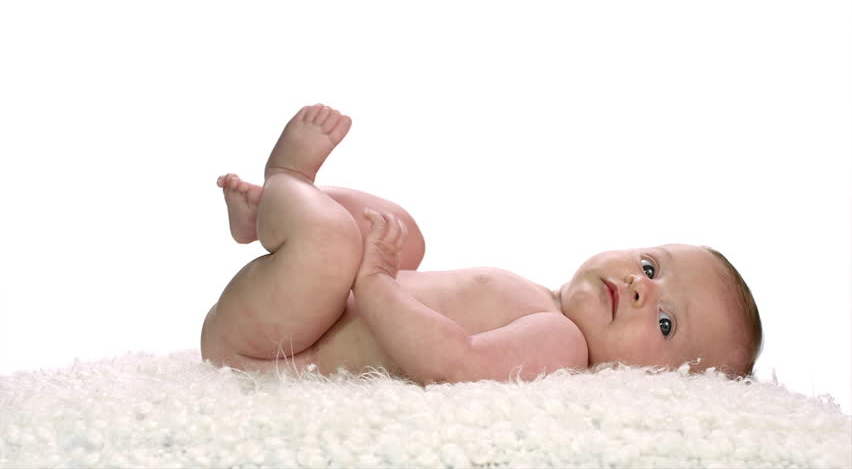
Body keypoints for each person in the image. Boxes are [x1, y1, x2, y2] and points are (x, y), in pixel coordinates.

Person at [200, 104, 762, 384]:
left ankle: (288, 183)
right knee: (405, 235)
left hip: (274, 352)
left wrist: (373, 282)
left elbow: (453, 360)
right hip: (291, 313)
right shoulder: (544, 305)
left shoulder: (562, 345)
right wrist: (381, 271)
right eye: (649, 265)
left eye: (666, 323)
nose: (640, 287)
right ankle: (274, 221)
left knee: (334, 247)